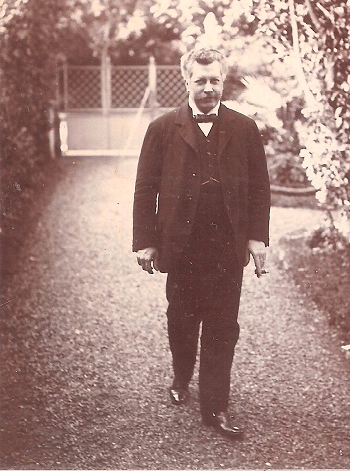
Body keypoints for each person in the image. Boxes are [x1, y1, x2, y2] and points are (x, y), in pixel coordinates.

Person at [132, 46, 270, 439]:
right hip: (182, 247)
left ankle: (215, 407)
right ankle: (181, 374)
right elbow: (145, 188)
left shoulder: (244, 128)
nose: (208, 88)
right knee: (181, 320)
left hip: (226, 246)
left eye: (215, 80)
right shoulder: (163, 128)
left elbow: (260, 189)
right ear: (186, 80)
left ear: (223, 81)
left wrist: (257, 238)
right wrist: (146, 241)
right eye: (200, 80)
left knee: (223, 326)